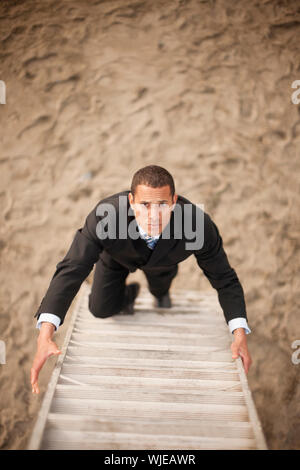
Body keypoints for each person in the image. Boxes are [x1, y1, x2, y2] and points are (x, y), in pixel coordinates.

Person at [31, 165, 252, 394]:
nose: (153, 215)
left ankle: (160, 292)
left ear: (174, 201)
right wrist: (45, 334)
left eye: (162, 205)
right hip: (116, 259)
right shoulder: (105, 215)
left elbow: (224, 278)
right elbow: (72, 268)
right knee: (100, 309)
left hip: (163, 263)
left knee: (160, 292)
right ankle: (130, 293)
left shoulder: (197, 224)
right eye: (145, 205)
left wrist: (239, 334)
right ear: (131, 201)